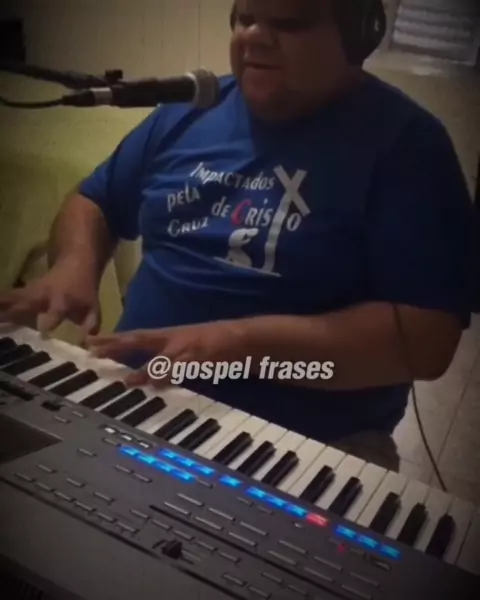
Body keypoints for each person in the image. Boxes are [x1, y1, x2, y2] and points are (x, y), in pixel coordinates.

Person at [0, 0, 475, 471]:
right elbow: (94, 201)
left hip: (302, 445)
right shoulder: (188, 110)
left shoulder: (409, 145)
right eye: (245, 19)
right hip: (135, 395)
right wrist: (75, 264)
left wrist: (239, 342)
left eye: (289, 23)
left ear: (358, 36)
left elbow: (427, 342)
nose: (253, 37)